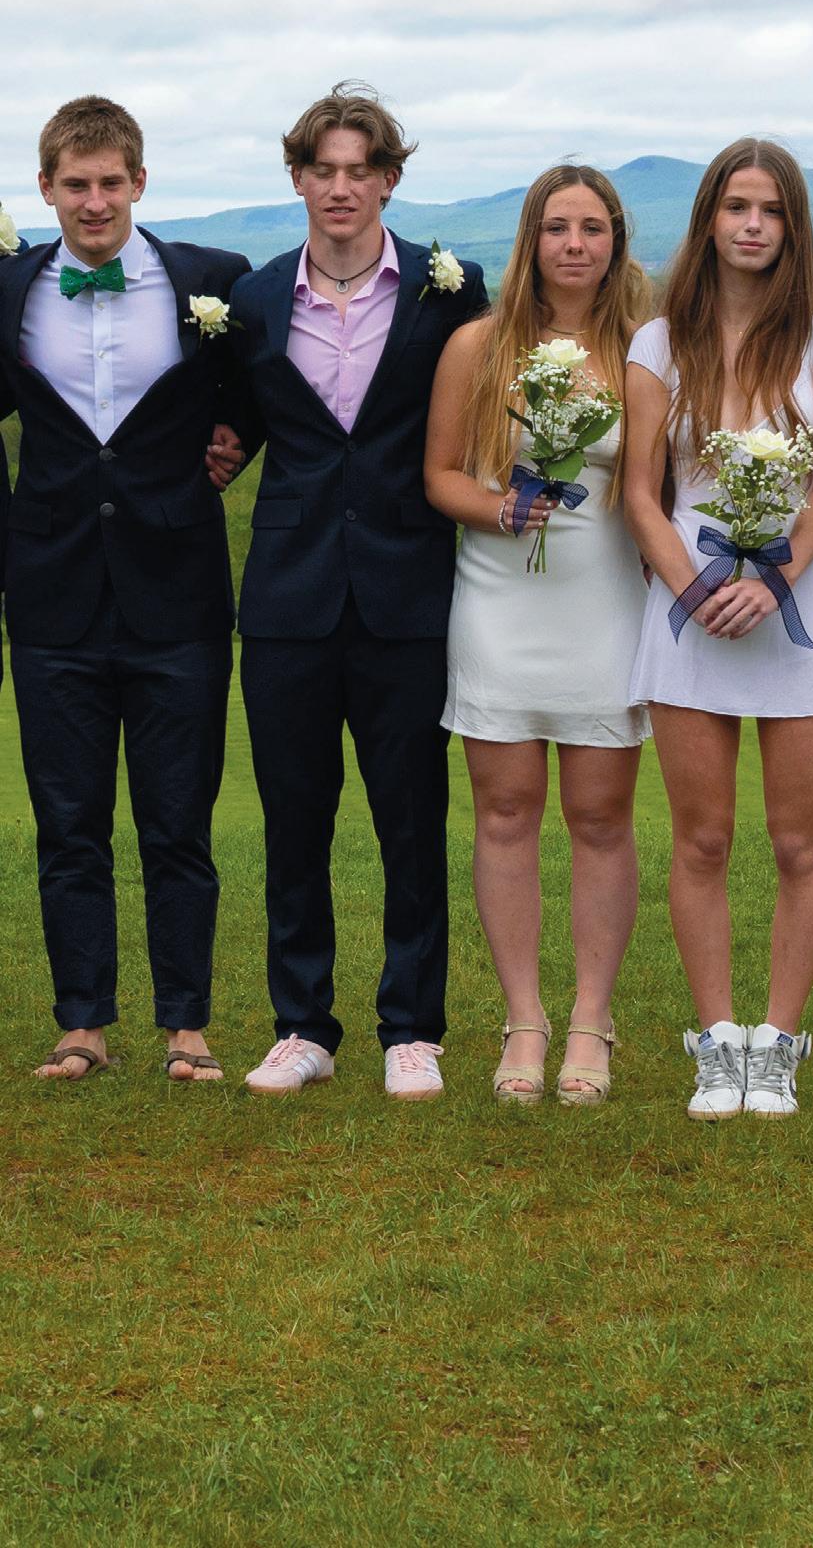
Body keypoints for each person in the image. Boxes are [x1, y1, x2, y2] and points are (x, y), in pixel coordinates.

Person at [226, 84, 488, 1098]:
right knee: (293, 821)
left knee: (411, 819)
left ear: (388, 179)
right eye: (322, 169)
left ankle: (412, 1029)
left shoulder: (447, 289)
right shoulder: (252, 300)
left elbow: (485, 408)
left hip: (407, 589)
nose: (341, 187)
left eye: (360, 170)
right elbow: (235, 415)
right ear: (297, 178)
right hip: (287, 596)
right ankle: (303, 1025)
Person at [0, 98, 249, 1086]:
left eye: (111, 182)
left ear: (140, 181)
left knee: (178, 822)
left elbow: (256, 390)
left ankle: (187, 1026)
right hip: (51, 595)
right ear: (46, 188)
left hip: (178, 594)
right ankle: (82, 1025)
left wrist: (237, 441)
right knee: (68, 825)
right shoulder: (10, 288)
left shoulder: (210, 281)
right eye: (76, 184)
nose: (94, 200)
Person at [621, 141, 813, 1122]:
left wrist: (775, 579)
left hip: (800, 606)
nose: (752, 224)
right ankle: (718, 1043)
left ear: (792, 224)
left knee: (800, 840)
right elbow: (640, 492)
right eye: (735, 206)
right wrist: (698, 589)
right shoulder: (657, 339)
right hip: (691, 607)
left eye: (770, 209)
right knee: (703, 837)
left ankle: (779, 1044)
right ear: (708, 218)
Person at [423, 164, 652, 1103]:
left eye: (592, 228)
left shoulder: (645, 348)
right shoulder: (478, 345)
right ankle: (525, 1020)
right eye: (557, 227)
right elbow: (441, 474)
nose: (574, 244)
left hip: (606, 602)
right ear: (531, 239)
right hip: (500, 601)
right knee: (506, 811)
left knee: (600, 817)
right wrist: (499, 509)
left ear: (615, 242)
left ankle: (591, 1020)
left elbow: (659, 484)